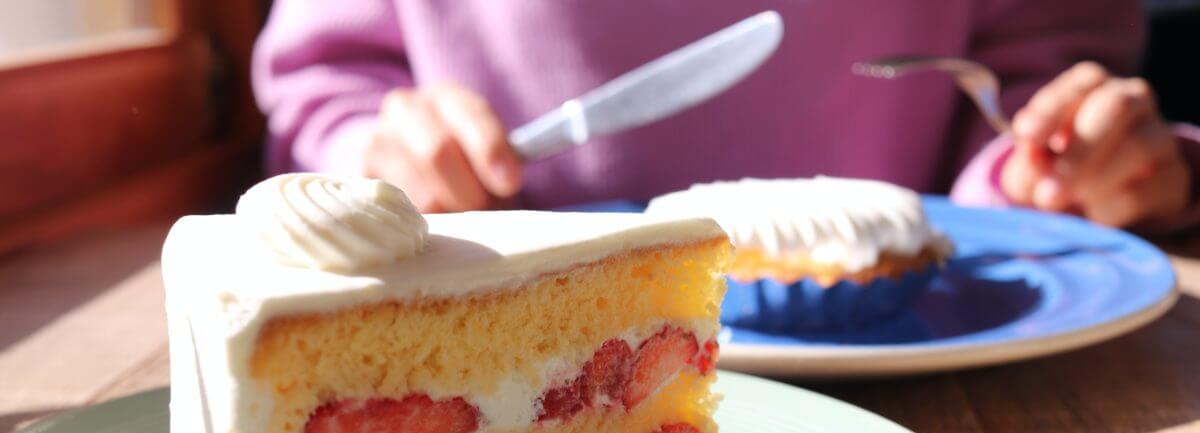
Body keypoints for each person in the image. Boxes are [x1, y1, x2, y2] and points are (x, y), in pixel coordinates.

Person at [252, 0, 1199, 232]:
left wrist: (1048, 168)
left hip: (921, 367)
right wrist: (375, 153)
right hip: (491, 321)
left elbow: (1030, 70)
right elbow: (325, 84)